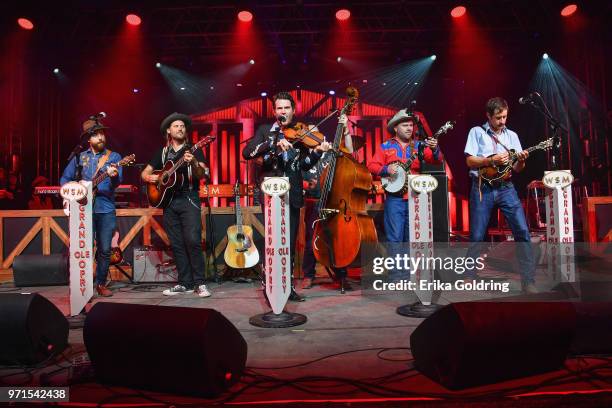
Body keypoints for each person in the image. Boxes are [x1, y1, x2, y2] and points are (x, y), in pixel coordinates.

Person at [242, 92, 332, 301]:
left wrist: (318, 152)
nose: (283, 111)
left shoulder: (299, 135)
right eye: (279, 108)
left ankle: (288, 286)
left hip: (291, 194)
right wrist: (272, 144)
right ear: (275, 112)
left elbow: (302, 166)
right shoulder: (266, 131)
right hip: (270, 195)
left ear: (293, 110)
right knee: (272, 241)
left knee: (289, 242)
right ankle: (270, 285)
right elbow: (247, 153)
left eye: (286, 108)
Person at [464, 97, 536, 293]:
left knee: (522, 231)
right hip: (482, 187)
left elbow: (518, 168)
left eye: (504, 117)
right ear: (488, 116)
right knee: (477, 234)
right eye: (498, 117)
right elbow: (470, 161)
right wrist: (491, 160)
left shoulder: (512, 136)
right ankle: (470, 275)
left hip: (506, 187)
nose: (502, 121)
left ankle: (528, 280)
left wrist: (521, 160)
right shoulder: (477, 132)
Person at [141, 112, 211, 297]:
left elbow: (202, 174)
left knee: (193, 241)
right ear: (168, 131)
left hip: (189, 198)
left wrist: (194, 161)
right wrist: (154, 177)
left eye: (182, 126)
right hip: (169, 202)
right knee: (177, 243)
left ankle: (200, 283)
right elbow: (144, 174)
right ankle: (184, 283)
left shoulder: (194, 149)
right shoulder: (162, 153)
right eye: (176, 126)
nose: (180, 128)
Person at [367, 110, 441, 277]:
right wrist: (386, 169)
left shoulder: (419, 145)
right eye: (405, 125)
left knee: (412, 239)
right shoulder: (386, 146)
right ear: (395, 128)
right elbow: (371, 165)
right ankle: (396, 276)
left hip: (416, 198)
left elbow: (436, 160)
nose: (409, 128)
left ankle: (409, 275)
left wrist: (435, 149)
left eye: (410, 125)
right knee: (395, 238)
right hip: (395, 198)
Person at [60, 118, 122, 297]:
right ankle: (83, 285)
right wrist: (77, 190)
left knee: (104, 249)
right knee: (83, 248)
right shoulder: (80, 157)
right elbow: (65, 179)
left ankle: (101, 283)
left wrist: (114, 174)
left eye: (102, 133)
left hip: (105, 208)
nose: (101, 137)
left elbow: (117, 182)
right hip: (83, 210)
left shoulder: (114, 157)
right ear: (88, 138)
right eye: (96, 134)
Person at [301, 114, 353, 292]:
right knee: (311, 239)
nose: (311, 137)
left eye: (314, 133)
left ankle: (342, 275)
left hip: (332, 201)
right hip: (313, 202)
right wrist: (306, 184)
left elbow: (350, 154)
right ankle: (308, 275)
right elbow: (297, 177)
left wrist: (346, 132)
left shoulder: (330, 152)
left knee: (336, 238)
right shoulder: (304, 156)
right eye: (308, 134)